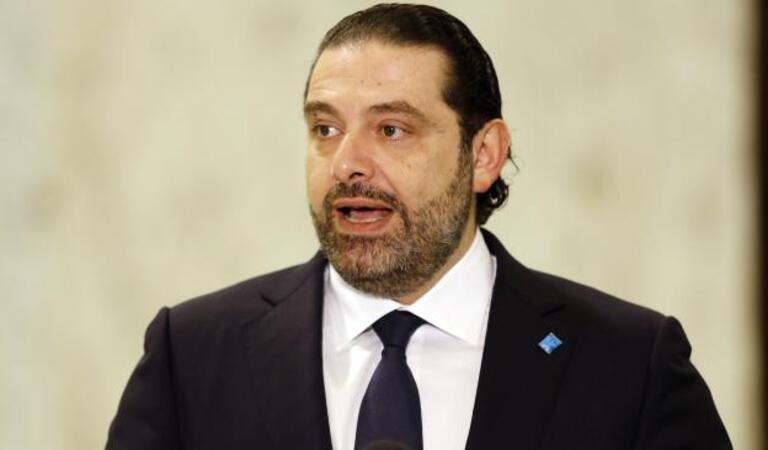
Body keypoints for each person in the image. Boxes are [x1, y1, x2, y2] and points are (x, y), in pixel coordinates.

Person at [105, 4, 731, 450]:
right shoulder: (193, 357)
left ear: (483, 154)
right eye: (325, 129)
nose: (346, 163)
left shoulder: (627, 365)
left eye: (391, 129)